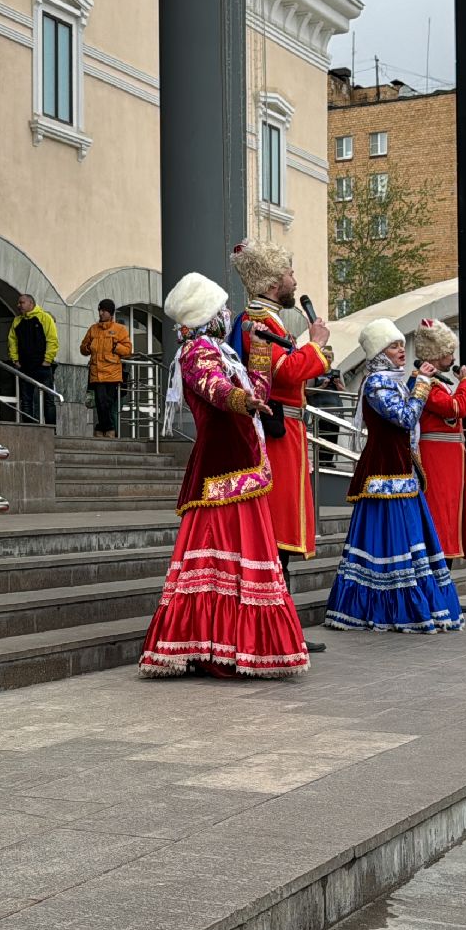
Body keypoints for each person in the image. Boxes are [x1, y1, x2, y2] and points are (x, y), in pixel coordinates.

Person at [138, 273, 311, 677]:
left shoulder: (221, 350)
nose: (230, 314)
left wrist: (262, 358)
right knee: (221, 556)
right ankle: (213, 645)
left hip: (241, 463)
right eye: (221, 308)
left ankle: (233, 645)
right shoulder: (196, 350)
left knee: (238, 558)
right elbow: (213, 388)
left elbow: (258, 396)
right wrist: (240, 397)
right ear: (207, 313)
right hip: (221, 469)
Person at [322, 320, 462, 633]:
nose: (402, 350)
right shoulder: (376, 383)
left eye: (401, 344)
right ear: (378, 352)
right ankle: (387, 608)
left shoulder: (394, 381)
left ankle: (410, 603)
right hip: (384, 476)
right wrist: (423, 385)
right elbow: (405, 417)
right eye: (394, 346)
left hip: (401, 472)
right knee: (387, 543)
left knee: (408, 544)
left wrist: (417, 386)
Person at [232, 240, 331, 650]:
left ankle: (282, 626)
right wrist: (315, 344)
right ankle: (279, 630)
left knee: (279, 535)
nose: (294, 281)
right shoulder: (260, 321)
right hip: (275, 438)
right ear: (274, 282)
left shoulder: (267, 320)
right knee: (276, 535)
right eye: (289, 273)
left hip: (285, 433)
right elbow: (284, 375)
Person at [412, 319, 466, 563]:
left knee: (450, 517)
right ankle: (439, 589)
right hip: (436, 459)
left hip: (449, 460)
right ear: (436, 353)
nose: (453, 358)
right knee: (440, 517)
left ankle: (446, 589)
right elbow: (456, 408)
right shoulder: (424, 382)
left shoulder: (437, 382)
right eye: (449, 352)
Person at [80, 299, 133, 437]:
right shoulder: (93, 329)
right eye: (100, 310)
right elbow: (83, 348)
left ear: (110, 313)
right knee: (100, 402)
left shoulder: (119, 329)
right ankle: (107, 428)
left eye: (104, 310)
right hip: (96, 372)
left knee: (106, 403)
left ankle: (103, 428)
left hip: (112, 373)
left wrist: (116, 347)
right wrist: (87, 347)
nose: (101, 313)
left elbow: (128, 350)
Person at [9, 292, 59, 425]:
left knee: (48, 401)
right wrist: (15, 360)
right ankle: (29, 429)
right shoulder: (17, 321)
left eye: (22, 302)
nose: (19, 305)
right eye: (18, 303)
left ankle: (51, 430)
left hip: (42, 366)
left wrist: (47, 360)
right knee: (26, 401)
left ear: (31, 303)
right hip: (25, 367)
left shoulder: (44, 318)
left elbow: (52, 340)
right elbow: (12, 341)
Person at [308, 371, 346, 469]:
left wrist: (337, 383)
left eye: (329, 357)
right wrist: (322, 387)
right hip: (320, 409)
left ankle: (329, 460)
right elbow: (307, 391)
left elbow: (343, 391)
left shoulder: (336, 373)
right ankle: (320, 460)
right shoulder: (314, 373)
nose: (328, 359)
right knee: (322, 434)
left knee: (333, 434)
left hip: (335, 409)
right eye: (326, 356)